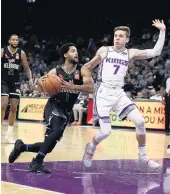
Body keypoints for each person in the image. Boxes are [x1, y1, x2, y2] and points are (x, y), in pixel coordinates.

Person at [83, 19, 166, 169]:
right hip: (103, 92)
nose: (117, 38)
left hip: (119, 93)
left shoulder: (131, 53)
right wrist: (85, 82)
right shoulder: (104, 50)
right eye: (115, 35)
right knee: (106, 131)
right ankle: (91, 147)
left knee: (140, 122)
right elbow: (87, 67)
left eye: (121, 36)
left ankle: (143, 156)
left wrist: (162, 31)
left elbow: (156, 52)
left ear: (127, 39)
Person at [9, 43, 94, 173]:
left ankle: (21, 147)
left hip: (66, 110)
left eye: (77, 51)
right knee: (57, 130)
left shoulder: (82, 70)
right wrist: (39, 85)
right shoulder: (54, 72)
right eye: (72, 51)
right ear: (65, 54)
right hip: (54, 105)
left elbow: (91, 88)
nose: (76, 53)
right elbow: (42, 86)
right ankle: (37, 162)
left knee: (49, 146)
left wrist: (74, 87)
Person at [1, 34, 33, 143]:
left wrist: (30, 79)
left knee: (14, 108)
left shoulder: (21, 53)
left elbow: (27, 68)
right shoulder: (3, 51)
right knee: (3, 104)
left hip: (15, 82)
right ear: (9, 41)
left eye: (17, 40)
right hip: (3, 81)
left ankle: (9, 134)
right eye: (13, 40)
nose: (15, 41)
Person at [160, 70, 170, 135]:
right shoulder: (166, 79)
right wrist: (162, 99)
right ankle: (166, 130)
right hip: (168, 97)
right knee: (167, 114)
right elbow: (162, 89)